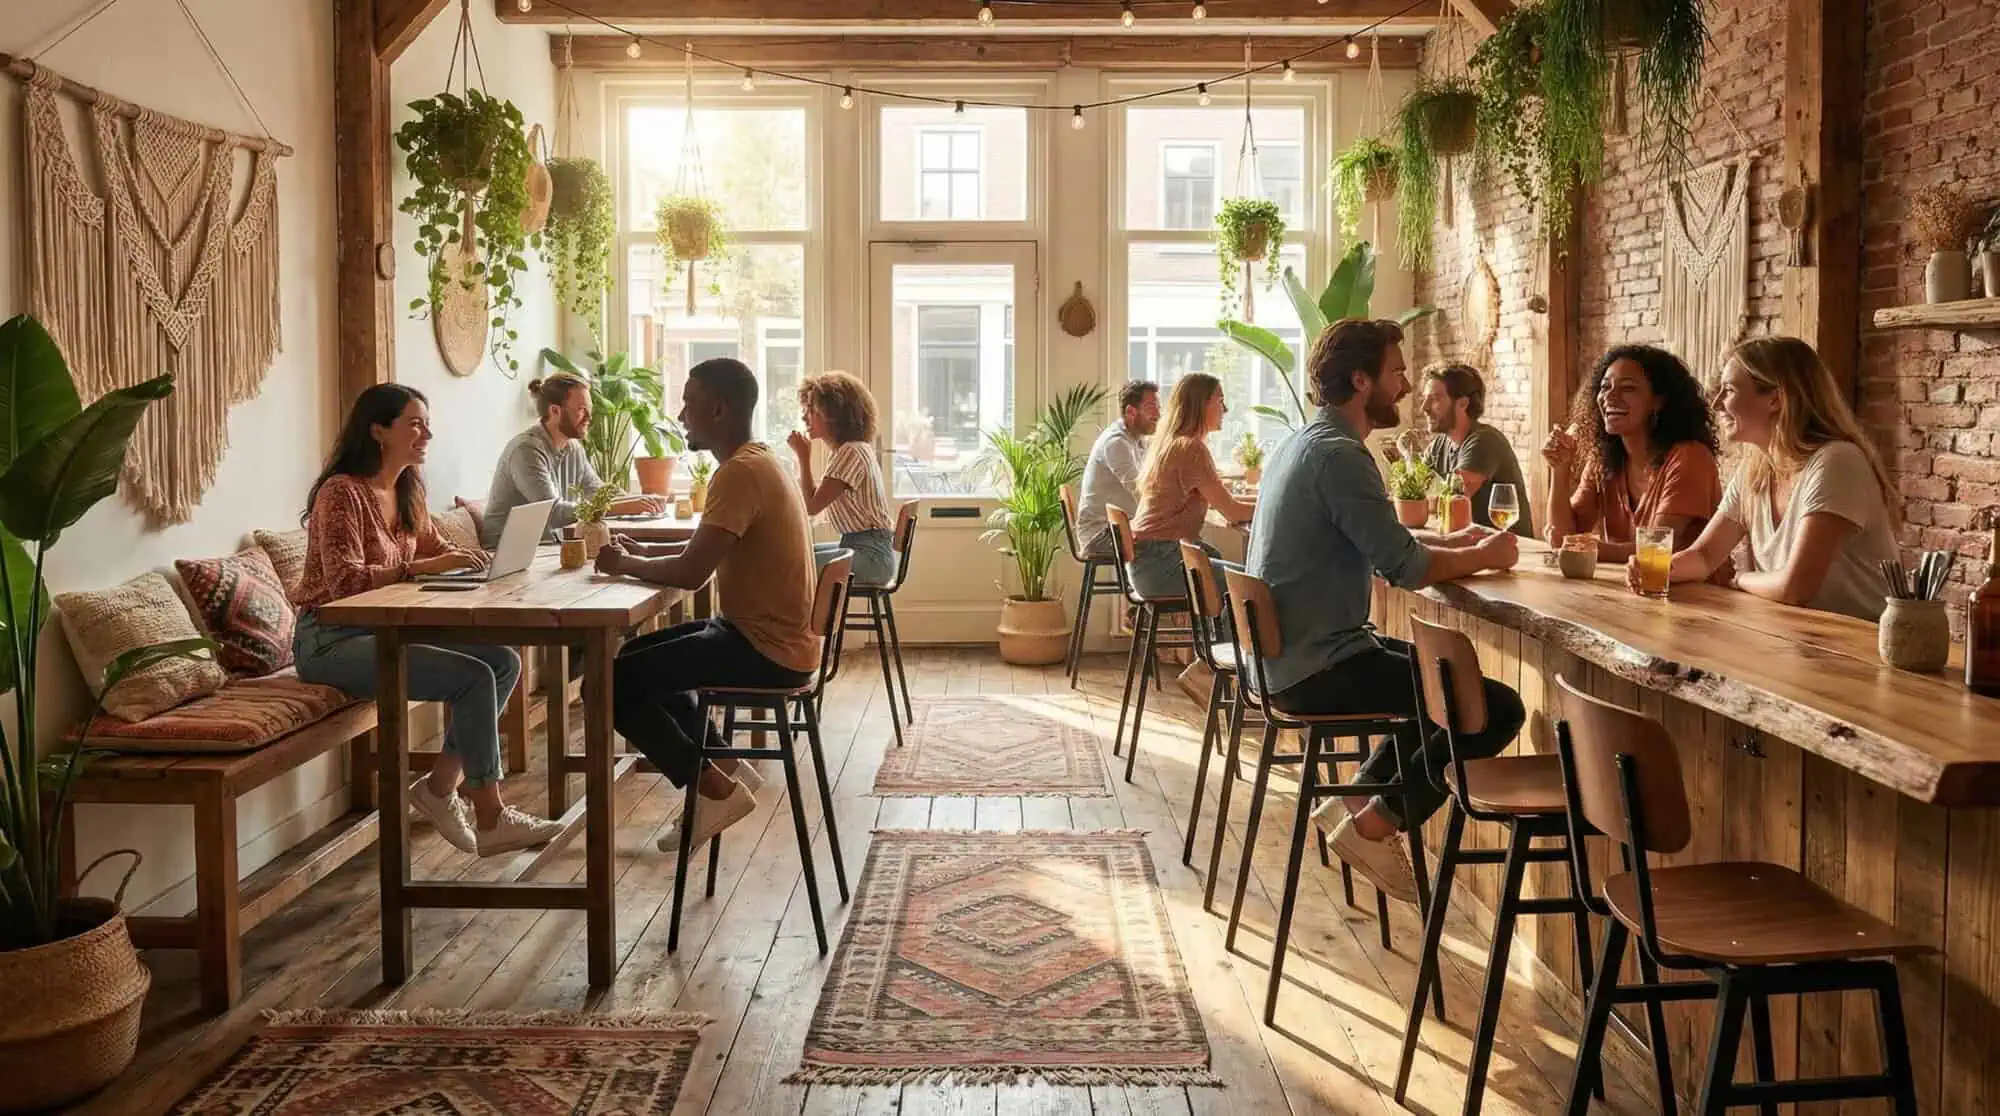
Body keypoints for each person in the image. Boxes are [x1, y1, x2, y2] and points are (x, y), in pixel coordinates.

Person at [1246, 319, 1524, 903]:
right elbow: (1406, 568)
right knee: (1491, 706)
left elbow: (1385, 539)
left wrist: (1462, 543)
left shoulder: (1305, 443)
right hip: (1317, 667)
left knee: (1441, 688)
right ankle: (1375, 825)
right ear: (1360, 379)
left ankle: (1356, 803)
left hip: (1294, 659)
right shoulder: (1342, 456)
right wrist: (1484, 552)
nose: (1403, 386)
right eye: (1397, 372)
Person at [291, 384, 563, 857]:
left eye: (426, 422)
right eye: (415, 423)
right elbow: (343, 586)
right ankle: (490, 816)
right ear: (378, 430)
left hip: (386, 631)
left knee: (502, 662)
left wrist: (472, 559)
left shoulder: (406, 488)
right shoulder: (342, 494)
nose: (427, 433)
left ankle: (438, 789)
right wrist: (419, 568)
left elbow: (436, 549)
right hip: (329, 640)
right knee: (474, 676)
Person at [593, 357, 819, 853]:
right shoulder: (757, 461)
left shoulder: (738, 474)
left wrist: (622, 565)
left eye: (688, 404)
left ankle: (714, 789)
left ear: (718, 410)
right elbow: (702, 553)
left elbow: (693, 574)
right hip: (766, 637)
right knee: (631, 663)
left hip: (766, 650)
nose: (680, 416)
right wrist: (640, 554)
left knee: (608, 685)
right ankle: (725, 771)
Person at [1637, 336, 1898, 620]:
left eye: (1729, 391)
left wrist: (1740, 580)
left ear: (1775, 399)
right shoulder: (1754, 470)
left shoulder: (1837, 462)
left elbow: (1795, 588)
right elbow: (1703, 557)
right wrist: (1658, 570)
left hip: (1861, 650)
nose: (1716, 404)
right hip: (1798, 637)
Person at [1540, 344, 1722, 562]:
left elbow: (1656, 548)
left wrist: (1588, 547)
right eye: (1605, 387)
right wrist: (1560, 470)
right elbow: (1562, 538)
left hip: (1696, 593)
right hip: (1629, 588)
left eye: (1627, 388)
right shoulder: (1603, 459)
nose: (1610, 397)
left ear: (1658, 401)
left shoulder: (1690, 457)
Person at [481, 372, 667, 548]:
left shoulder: (573, 448)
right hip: (504, 553)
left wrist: (642, 500)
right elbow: (553, 513)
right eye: (581, 409)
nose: (589, 417)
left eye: (589, 409)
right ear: (555, 411)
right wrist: (623, 507)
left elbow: (598, 492)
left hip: (544, 548)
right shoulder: (526, 450)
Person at [1126, 374, 1256, 600]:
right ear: (1201, 405)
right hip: (1162, 564)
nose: (1225, 409)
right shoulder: (1191, 450)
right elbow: (1232, 512)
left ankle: (1228, 636)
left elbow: (1228, 504)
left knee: (1237, 575)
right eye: (1220, 400)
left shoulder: (1175, 444)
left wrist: (1266, 500)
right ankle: (1237, 637)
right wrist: (1279, 506)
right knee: (1253, 589)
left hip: (1150, 561)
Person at [786, 371, 896, 586]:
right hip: (860, 547)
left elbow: (811, 506)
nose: (804, 416)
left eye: (811, 410)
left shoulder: (851, 452)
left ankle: (799, 621)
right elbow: (815, 499)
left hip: (872, 558)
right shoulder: (847, 451)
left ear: (834, 415)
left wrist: (803, 456)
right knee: (796, 557)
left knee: (794, 566)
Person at [1418, 362, 1535, 538]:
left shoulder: (1484, 441)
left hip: (1509, 551)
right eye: (1425, 398)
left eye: (1435, 398)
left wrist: (1419, 498)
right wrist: (1405, 457)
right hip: (1470, 546)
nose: (1424, 408)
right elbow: (1414, 493)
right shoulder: (1439, 444)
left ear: (1463, 403)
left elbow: (1454, 502)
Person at [1077, 380, 1160, 557]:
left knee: (1173, 543)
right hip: (1099, 535)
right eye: (1151, 406)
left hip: (1117, 528)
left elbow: (1151, 481)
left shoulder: (1135, 440)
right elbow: (1139, 490)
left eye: (1158, 405)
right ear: (1131, 411)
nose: (1158, 413)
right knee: (1170, 548)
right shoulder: (1116, 443)